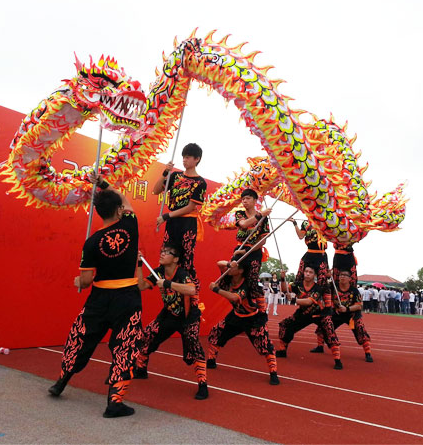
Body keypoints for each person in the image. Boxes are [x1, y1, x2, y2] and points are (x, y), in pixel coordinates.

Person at [48, 174, 143, 418]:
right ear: (119, 211)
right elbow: (124, 198)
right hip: (127, 298)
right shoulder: (130, 224)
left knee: (80, 339)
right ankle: (114, 403)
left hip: (99, 298)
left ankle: (61, 382)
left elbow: (88, 280)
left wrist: (79, 280)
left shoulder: (92, 242)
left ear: (99, 212)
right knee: (126, 346)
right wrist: (102, 184)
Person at [134, 242, 208, 400]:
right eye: (162, 251)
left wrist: (168, 284)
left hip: (188, 318)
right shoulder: (159, 272)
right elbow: (140, 286)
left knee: (194, 346)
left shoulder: (181, 274)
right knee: (147, 335)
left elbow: (191, 289)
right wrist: (139, 264)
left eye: (167, 252)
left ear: (175, 259)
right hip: (169, 315)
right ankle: (141, 369)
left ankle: (203, 384)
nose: (162, 254)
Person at [207, 256, 280, 385]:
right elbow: (219, 262)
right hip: (236, 316)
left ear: (241, 270)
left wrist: (216, 289)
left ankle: (273, 372)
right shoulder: (228, 278)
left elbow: (234, 298)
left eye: (233, 266)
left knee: (265, 345)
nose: (228, 268)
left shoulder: (247, 284)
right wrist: (231, 263)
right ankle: (211, 360)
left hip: (252, 319)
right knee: (216, 332)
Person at [154, 143, 206, 297]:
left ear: (197, 159)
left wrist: (166, 216)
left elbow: (191, 207)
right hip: (172, 223)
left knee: (186, 258)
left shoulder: (200, 182)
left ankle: (190, 293)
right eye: (183, 157)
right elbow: (156, 190)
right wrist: (165, 172)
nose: (184, 160)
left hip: (187, 224)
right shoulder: (175, 176)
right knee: (167, 254)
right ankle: (168, 288)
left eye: (188, 157)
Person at [276, 266, 343, 369]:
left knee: (329, 330)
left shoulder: (318, 288)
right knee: (285, 325)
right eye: (306, 271)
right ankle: (282, 350)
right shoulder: (297, 284)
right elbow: (285, 290)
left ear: (315, 275)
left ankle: (337, 360)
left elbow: (309, 301)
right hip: (303, 313)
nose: (307, 274)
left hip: (319, 314)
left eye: (310, 272)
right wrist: (282, 279)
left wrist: (294, 300)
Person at [310, 270, 374, 363]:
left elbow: (359, 305)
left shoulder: (354, 290)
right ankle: (320, 346)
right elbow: (323, 287)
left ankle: (368, 353)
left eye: (345, 275)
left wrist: (347, 309)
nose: (342, 277)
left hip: (351, 314)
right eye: (341, 275)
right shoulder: (333, 286)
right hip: (336, 313)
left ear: (349, 278)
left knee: (360, 329)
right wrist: (327, 276)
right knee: (323, 325)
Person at [233, 188, 271, 315]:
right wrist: (260, 215)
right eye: (243, 199)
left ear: (255, 200)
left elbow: (263, 240)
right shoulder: (240, 214)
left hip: (254, 251)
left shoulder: (263, 219)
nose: (244, 201)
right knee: (231, 274)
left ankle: (261, 310)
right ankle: (241, 305)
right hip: (239, 249)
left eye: (248, 198)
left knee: (252, 281)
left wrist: (248, 250)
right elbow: (243, 224)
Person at [289, 219, 328, 286]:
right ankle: (299, 293)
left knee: (322, 280)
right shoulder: (306, 223)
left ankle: (320, 295)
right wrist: (295, 223)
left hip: (321, 255)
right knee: (300, 275)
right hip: (310, 253)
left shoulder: (325, 221)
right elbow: (301, 236)